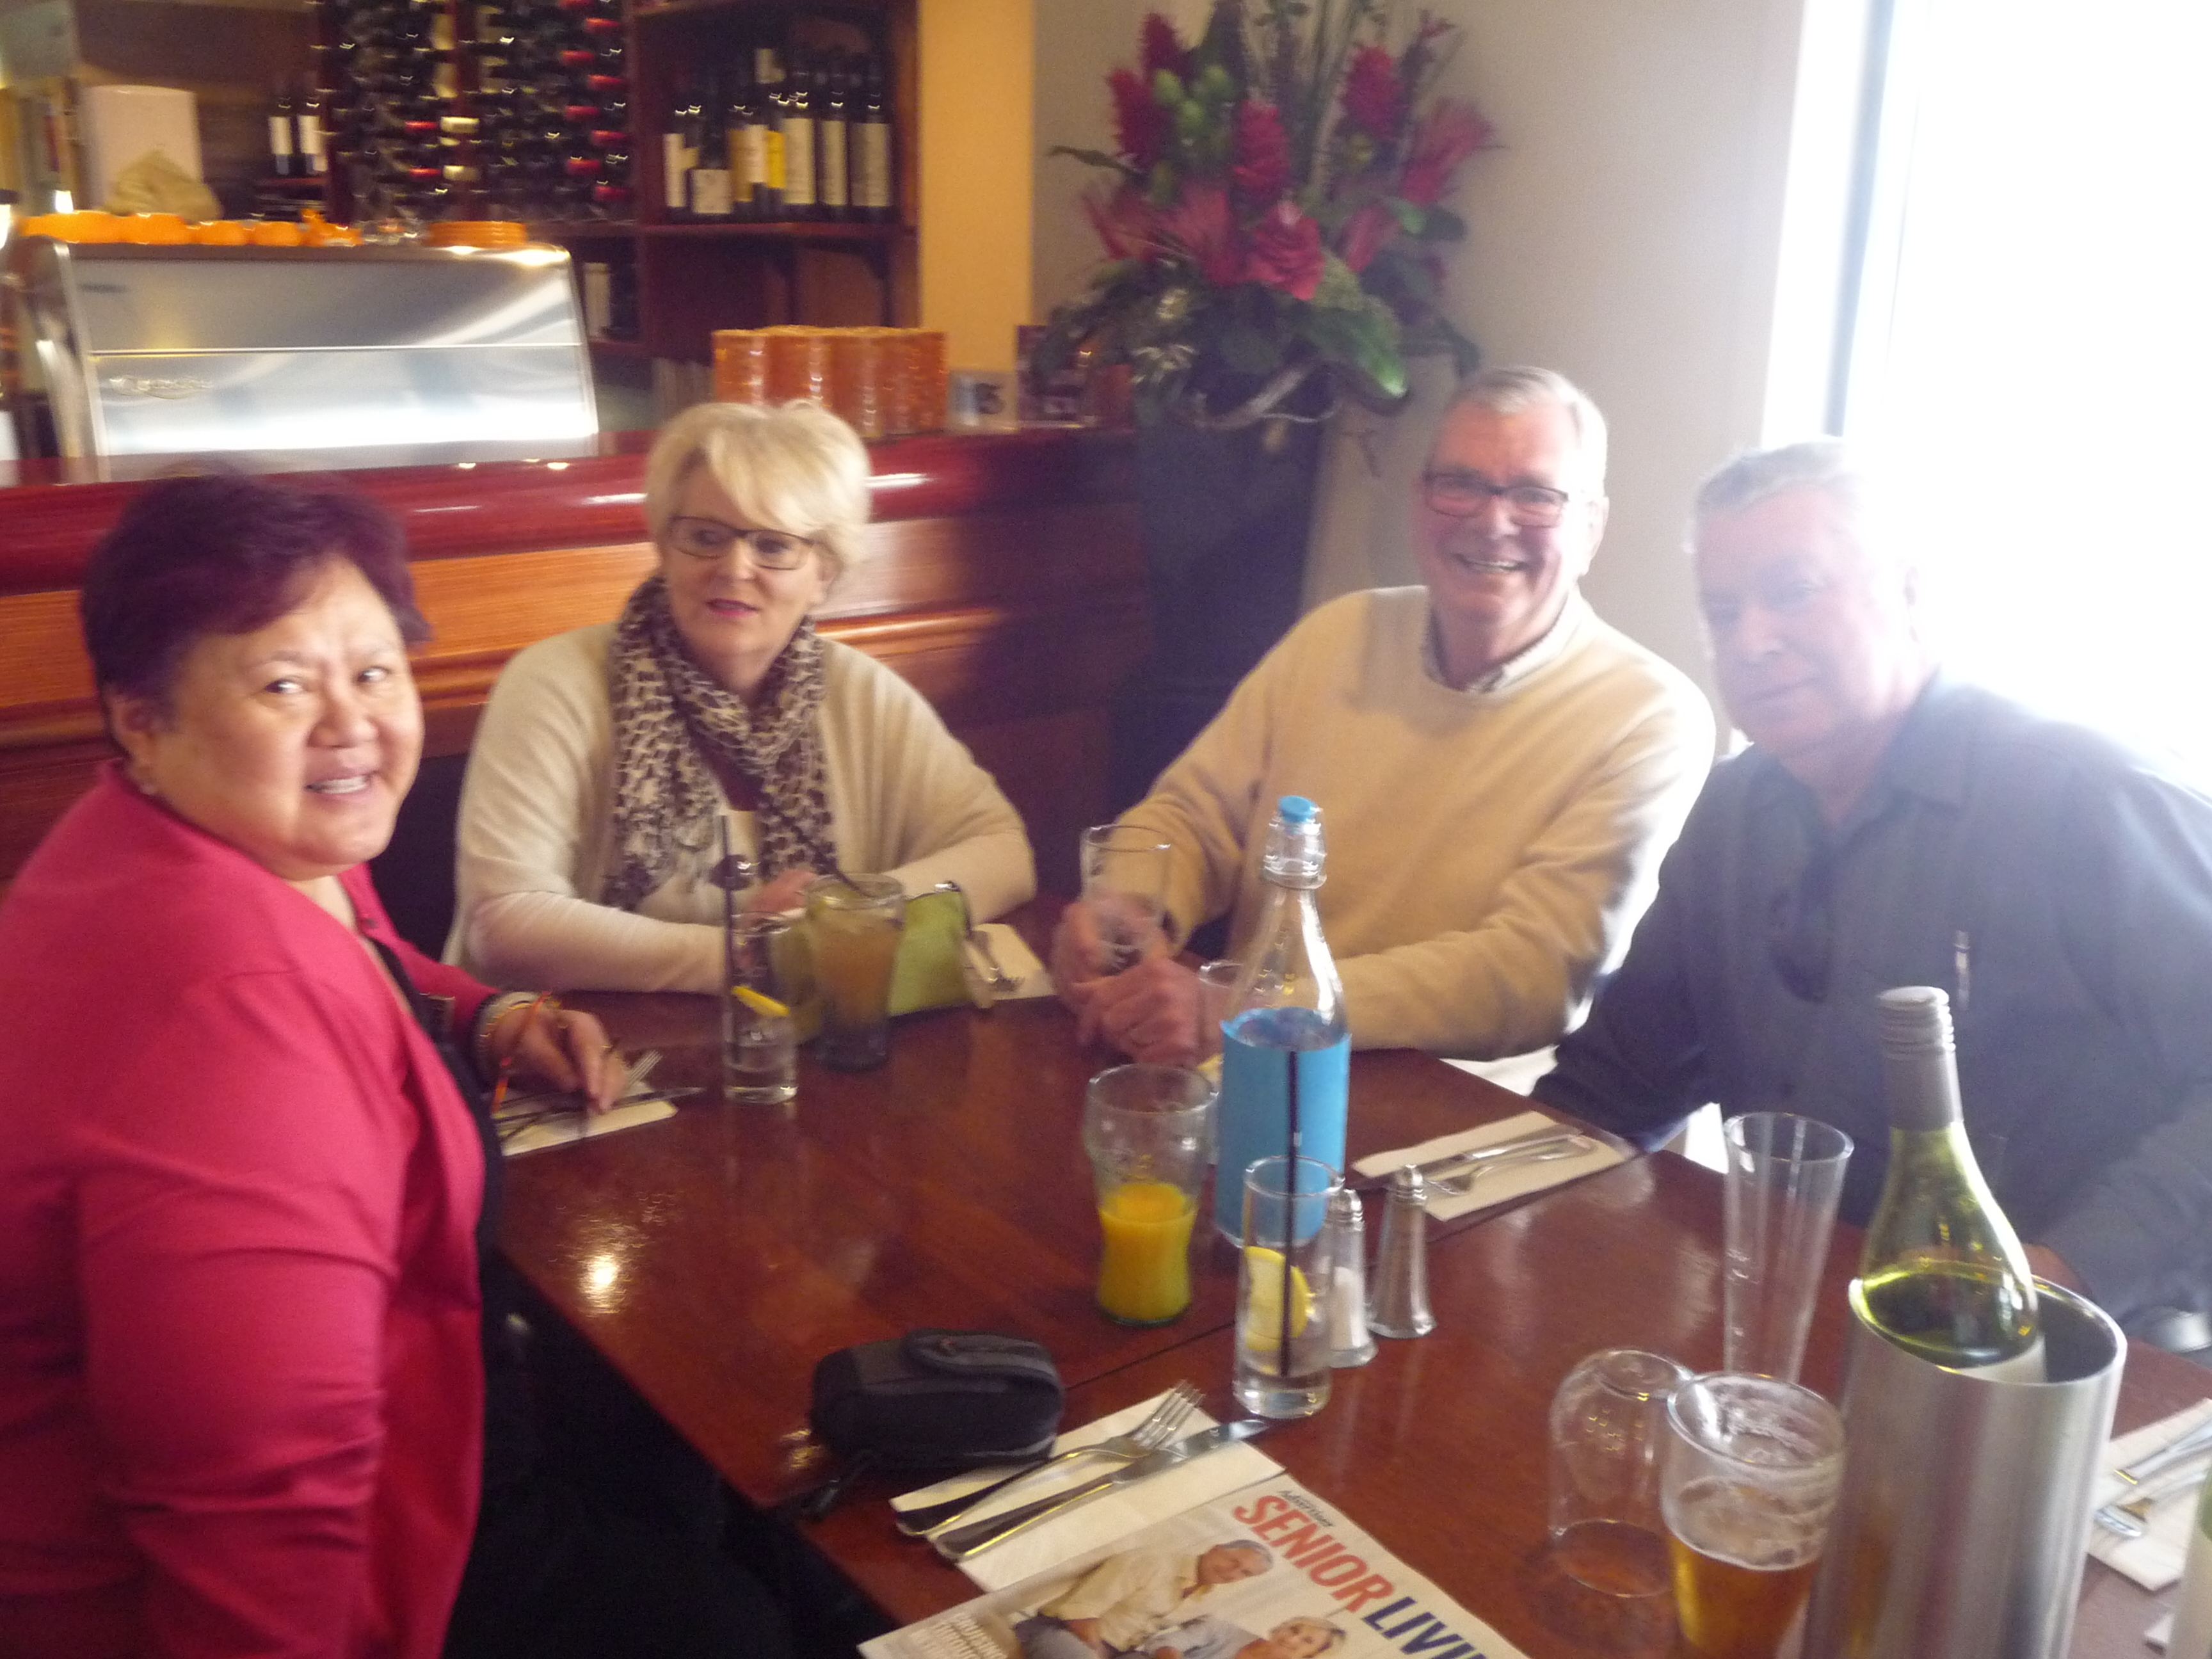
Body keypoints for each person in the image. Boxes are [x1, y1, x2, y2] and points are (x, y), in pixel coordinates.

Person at [0, 476, 618, 1655]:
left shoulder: (208, 839)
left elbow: (370, 950)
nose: (352, 723)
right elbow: (257, 1505)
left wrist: (482, 1015)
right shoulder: (230, 1026)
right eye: (284, 683)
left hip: (425, 1453)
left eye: (375, 671)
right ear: (141, 718)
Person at [1535, 439, 2212, 1329]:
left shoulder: (2085, 797)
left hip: (2071, 1344)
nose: (1751, 641)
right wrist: (1476, 1205)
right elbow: (1620, 1080)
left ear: (1912, 590)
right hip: (1796, 1306)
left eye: (1793, 591)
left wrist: (2060, 1274)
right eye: (1723, 612)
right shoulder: (1736, 810)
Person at [1052, 366, 1715, 1062]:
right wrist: (1125, 909)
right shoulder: (1339, 634)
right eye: (1460, 484)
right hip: (1250, 1072)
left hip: (1457, 1107)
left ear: (1591, 528)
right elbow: (1193, 816)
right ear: (1420, 500)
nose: (1492, 522)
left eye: (1535, 495)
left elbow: (1530, 975)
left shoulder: (1648, 717)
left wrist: (1250, 1008)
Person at [448, 399, 1035, 992]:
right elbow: (505, 922)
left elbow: (1003, 853)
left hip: (801, 1041)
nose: (734, 567)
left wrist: (842, 915)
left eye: (773, 547)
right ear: (664, 548)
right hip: (577, 1041)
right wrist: (748, 957)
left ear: (824, 574)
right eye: (705, 537)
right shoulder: (553, 683)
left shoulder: (864, 694)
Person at [1013, 1540, 1272, 1659]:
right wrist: (1098, 1653)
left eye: (1245, 1573)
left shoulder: (1207, 1600)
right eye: (1233, 1561)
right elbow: (1080, 1611)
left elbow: (1166, 1642)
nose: (1232, 1573)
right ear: (1215, 1549)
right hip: (1063, 1632)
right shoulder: (1152, 1563)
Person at [1141, 1614, 1347, 1659]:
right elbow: (1165, 1643)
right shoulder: (1224, 1630)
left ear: (1312, 1655)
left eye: (1307, 1641)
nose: (1291, 1639)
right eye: (1294, 1630)